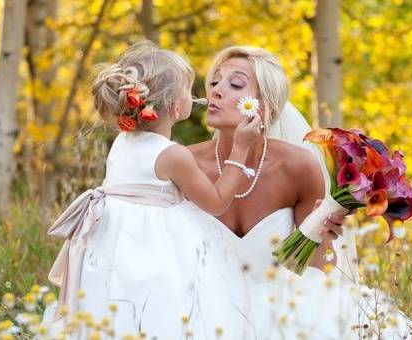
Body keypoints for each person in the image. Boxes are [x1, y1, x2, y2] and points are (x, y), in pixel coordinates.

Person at [188, 45, 412, 339]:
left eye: (234, 84)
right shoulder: (187, 163)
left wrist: (320, 226)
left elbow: (319, 270)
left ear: (265, 106)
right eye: (215, 81)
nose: (216, 90)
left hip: (283, 309)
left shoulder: (297, 165)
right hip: (203, 310)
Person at [40, 42, 256, 339]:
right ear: (175, 106)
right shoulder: (172, 155)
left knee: (114, 316)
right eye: (188, 90)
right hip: (152, 252)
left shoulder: (122, 142)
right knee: (160, 314)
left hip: (111, 251)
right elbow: (217, 202)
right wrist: (241, 148)